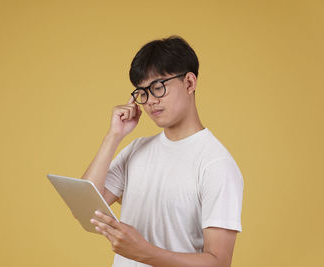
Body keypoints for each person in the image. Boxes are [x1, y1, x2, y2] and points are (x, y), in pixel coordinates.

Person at [82, 35, 244, 267]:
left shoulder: (216, 163)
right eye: (142, 92)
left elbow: (219, 262)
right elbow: (88, 207)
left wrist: (145, 253)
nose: (149, 101)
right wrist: (113, 136)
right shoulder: (136, 149)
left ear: (189, 83)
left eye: (158, 88)